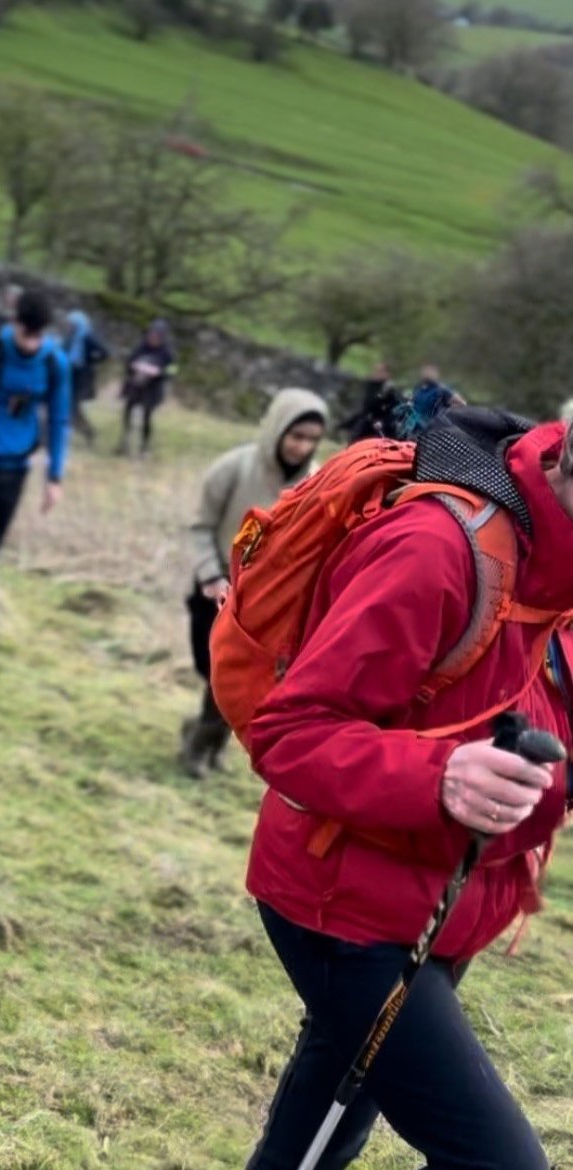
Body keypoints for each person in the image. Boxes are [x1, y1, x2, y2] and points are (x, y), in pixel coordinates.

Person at [242, 413, 573, 1169]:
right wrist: (442, 776)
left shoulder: (562, 578)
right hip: (344, 902)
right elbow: (289, 730)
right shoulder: (435, 549)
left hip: (444, 904)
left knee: (321, 1136)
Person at [182, 388, 328, 777]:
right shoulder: (231, 468)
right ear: (277, 429)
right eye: (296, 436)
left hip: (267, 607)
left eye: (311, 440)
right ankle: (201, 735)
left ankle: (201, 747)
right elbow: (200, 527)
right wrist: (212, 576)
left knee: (239, 680)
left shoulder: (319, 484)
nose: (302, 447)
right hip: (212, 592)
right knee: (211, 672)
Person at [0, 289, 71, 669]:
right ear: (15, 324)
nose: (32, 344)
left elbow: (58, 419)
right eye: (27, 334)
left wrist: (54, 477)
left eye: (38, 337)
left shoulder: (54, 364)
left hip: (16, 470)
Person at [117, 318, 176, 457]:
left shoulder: (167, 353)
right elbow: (129, 362)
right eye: (151, 334)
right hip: (136, 386)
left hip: (152, 390)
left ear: (162, 337)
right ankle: (124, 442)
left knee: (146, 417)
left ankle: (144, 447)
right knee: (128, 412)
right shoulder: (140, 347)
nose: (152, 338)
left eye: (156, 335)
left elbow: (173, 370)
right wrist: (134, 367)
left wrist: (160, 373)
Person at [62, 308, 109, 446]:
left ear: (78, 324)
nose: (68, 326)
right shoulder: (69, 338)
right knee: (71, 407)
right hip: (70, 374)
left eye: (71, 324)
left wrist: (90, 361)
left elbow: (104, 353)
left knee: (72, 407)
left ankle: (84, 432)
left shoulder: (87, 337)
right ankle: (87, 432)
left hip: (82, 377)